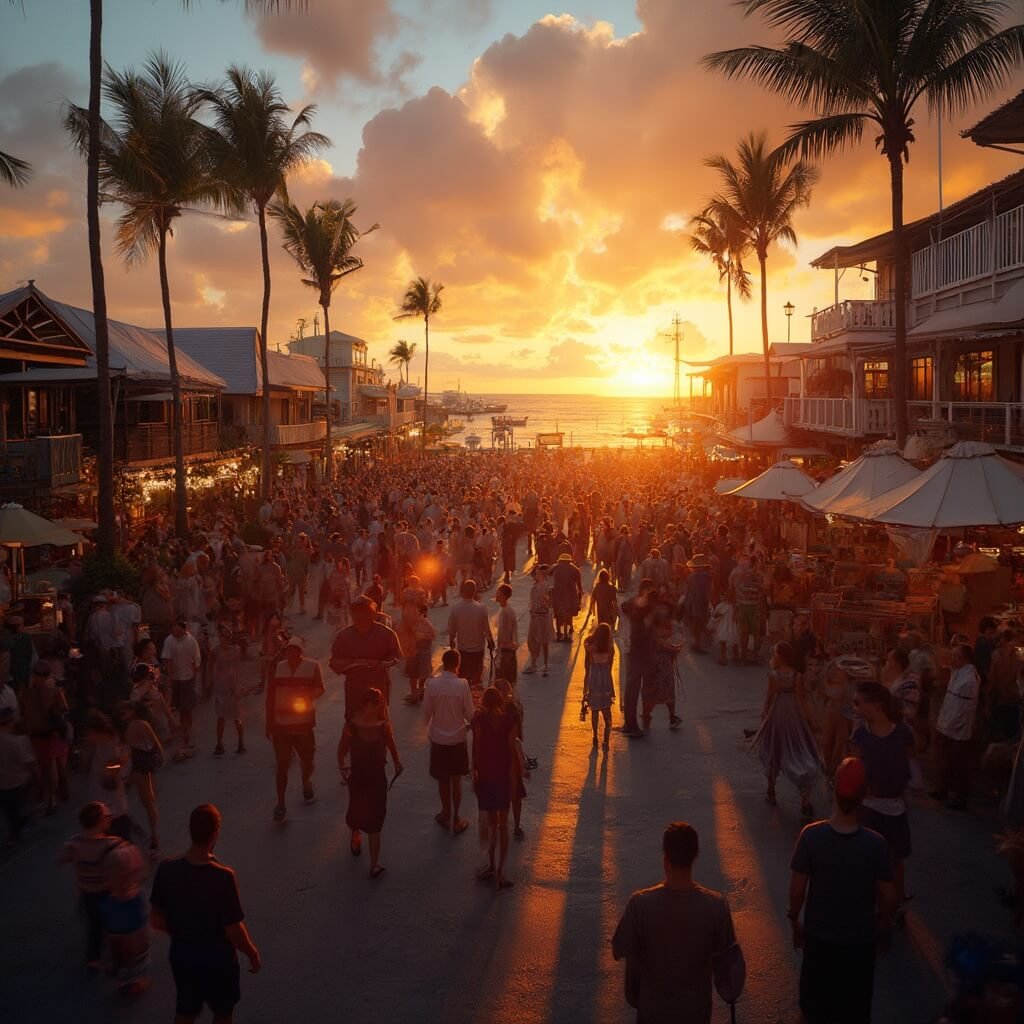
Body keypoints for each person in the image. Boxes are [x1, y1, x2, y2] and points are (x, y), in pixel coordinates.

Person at [788, 758, 896, 1024]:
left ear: (834, 790)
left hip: (819, 940)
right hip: (859, 943)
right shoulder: (876, 845)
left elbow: (797, 890)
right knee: (855, 1012)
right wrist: (883, 927)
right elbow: (889, 897)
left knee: (811, 1010)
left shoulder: (810, 836)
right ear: (864, 796)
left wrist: (794, 921)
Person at [612, 822, 739, 1024]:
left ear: (665, 859)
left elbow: (620, 948)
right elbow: (730, 965)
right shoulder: (716, 906)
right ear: (695, 856)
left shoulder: (640, 904)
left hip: (652, 1010)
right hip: (696, 1012)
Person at [150, 804, 261, 1024]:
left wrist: (183, 933)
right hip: (218, 961)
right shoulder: (223, 877)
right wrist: (252, 953)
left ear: (190, 831)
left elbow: (156, 919)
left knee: (186, 1010)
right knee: (222, 1012)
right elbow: (234, 930)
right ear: (215, 833)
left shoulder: (167, 870)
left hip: (182, 956)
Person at [850, 682, 914, 910]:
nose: (855, 707)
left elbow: (908, 763)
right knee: (868, 860)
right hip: (868, 806)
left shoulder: (903, 733)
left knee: (896, 860)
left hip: (895, 806)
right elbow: (853, 771)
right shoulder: (860, 735)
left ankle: (896, 904)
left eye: (858, 703)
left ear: (876, 705)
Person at [749, 641, 821, 818]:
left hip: (778, 713)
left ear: (779, 656)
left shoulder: (773, 675)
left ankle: (771, 790)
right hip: (794, 714)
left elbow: (769, 697)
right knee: (797, 749)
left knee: (774, 748)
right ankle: (805, 798)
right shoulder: (797, 676)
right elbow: (802, 699)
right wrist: (809, 721)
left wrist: (764, 716)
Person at [337, 688, 402, 878]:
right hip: (357, 777)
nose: (377, 708)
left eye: (379, 704)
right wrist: (343, 769)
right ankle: (355, 834)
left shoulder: (384, 726)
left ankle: (374, 864)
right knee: (356, 811)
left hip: (377, 778)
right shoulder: (351, 726)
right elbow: (341, 751)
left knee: (376, 819)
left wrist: (397, 763)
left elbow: (391, 745)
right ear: (364, 705)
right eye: (374, 704)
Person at [265, 636, 325, 823]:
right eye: (288, 650)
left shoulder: (312, 667)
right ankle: (281, 803)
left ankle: (306, 782)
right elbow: (270, 696)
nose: (291, 653)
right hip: (281, 725)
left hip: (303, 724)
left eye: (295, 650)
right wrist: (269, 723)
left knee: (307, 759)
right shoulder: (278, 668)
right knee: (282, 765)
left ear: (300, 652)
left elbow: (320, 689)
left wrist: (307, 696)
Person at [59, 801, 123, 970]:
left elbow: (62, 858)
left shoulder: (74, 843)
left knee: (94, 925)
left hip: (86, 892)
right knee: (114, 924)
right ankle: (118, 957)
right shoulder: (112, 844)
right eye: (108, 816)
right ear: (101, 821)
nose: (111, 818)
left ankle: (93, 959)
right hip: (108, 891)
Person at [423, 649, 475, 836]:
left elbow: (426, 711)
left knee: (443, 780)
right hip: (457, 738)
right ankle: (456, 818)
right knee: (456, 779)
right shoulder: (462, 685)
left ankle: (445, 812)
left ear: (444, 663)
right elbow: (469, 713)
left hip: (438, 738)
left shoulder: (432, 684)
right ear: (457, 664)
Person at [472, 686, 517, 890]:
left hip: (486, 775)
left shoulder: (480, 721)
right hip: (502, 776)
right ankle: (500, 870)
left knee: (491, 823)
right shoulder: (509, 721)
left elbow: (476, 747)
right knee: (503, 825)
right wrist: (513, 778)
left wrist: (474, 772)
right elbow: (512, 750)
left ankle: (491, 864)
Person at [931, 642, 981, 811]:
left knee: (958, 764)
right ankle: (943, 789)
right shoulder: (957, 673)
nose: (952, 659)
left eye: (956, 656)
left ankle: (960, 797)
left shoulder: (969, 680)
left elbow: (963, 710)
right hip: (947, 725)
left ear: (964, 659)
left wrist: (950, 726)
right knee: (946, 761)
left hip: (957, 730)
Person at [19, 660, 69, 814]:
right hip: (47, 734)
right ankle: (52, 797)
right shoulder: (53, 692)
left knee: (45, 766)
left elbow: (22, 714)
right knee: (51, 765)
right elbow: (64, 710)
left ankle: (49, 797)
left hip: (39, 735)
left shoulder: (25, 694)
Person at [121, 699, 163, 853]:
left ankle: (153, 837)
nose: (122, 714)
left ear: (132, 712)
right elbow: (157, 747)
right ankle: (152, 836)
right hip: (139, 767)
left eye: (125, 711)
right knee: (147, 802)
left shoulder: (135, 725)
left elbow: (154, 747)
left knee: (147, 802)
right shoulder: (141, 724)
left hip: (138, 767)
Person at [620, 581, 655, 739]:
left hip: (640, 652)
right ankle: (631, 724)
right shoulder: (636, 607)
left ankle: (633, 722)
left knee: (635, 689)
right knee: (634, 689)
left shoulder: (641, 607)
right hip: (636, 652)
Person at [162, 619, 201, 756]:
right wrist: (169, 676)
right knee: (177, 706)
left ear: (183, 629)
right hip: (175, 679)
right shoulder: (169, 640)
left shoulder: (191, 641)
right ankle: (179, 731)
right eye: (172, 627)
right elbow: (167, 659)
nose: (173, 630)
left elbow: (197, 660)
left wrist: (194, 676)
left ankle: (188, 732)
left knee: (187, 707)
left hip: (187, 678)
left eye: (176, 627)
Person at [495, 677, 527, 840]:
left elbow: (514, 740)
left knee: (506, 793)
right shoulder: (514, 710)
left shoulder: (498, 712)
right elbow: (517, 740)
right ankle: (515, 825)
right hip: (510, 757)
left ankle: (507, 825)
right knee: (514, 794)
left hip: (503, 757)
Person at [446, 579, 494, 689]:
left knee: (462, 677)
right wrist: (491, 641)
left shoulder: (455, 609)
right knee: (476, 678)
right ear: (475, 592)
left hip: (462, 649)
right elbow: (486, 629)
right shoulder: (482, 608)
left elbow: (452, 630)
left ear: (462, 591)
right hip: (478, 649)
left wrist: (451, 641)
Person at [0, 705, 36, 844]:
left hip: (2, 783)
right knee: (16, 806)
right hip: (18, 781)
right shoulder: (18, 740)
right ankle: (16, 828)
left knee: (8, 808)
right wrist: (35, 776)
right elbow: (30, 763)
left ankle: (14, 826)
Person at [643, 607, 683, 731]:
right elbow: (664, 645)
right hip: (658, 667)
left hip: (661, 667)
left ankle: (651, 716)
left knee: (660, 693)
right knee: (658, 693)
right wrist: (675, 648)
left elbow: (668, 644)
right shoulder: (654, 633)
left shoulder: (659, 631)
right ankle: (650, 716)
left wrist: (674, 647)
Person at [211, 624, 245, 756]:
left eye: (225, 637)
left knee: (237, 717)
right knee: (221, 717)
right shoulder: (216, 651)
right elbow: (211, 665)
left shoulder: (236, 650)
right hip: (220, 687)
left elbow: (236, 670)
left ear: (229, 638)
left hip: (233, 687)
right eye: (221, 637)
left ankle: (241, 743)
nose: (222, 639)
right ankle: (219, 744)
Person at [583, 623, 615, 750]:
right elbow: (610, 667)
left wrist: (584, 690)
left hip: (594, 679)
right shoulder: (610, 649)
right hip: (605, 679)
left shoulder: (591, 648)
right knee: (607, 711)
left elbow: (587, 667)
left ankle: (595, 735)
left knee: (594, 710)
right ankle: (606, 740)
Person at [524, 564, 554, 677]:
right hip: (534, 616)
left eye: (536, 573)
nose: (534, 576)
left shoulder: (547, 586)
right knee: (532, 641)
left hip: (543, 617)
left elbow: (549, 601)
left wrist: (545, 602)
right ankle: (533, 663)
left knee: (544, 642)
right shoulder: (535, 586)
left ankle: (545, 665)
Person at [550, 552, 583, 642]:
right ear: (570, 561)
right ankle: (568, 634)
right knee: (569, 615)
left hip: (557, 596)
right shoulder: (575, 569)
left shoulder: (554, 568)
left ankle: (559, 634)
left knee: (557, 615)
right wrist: (580, 596)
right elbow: (579, 586)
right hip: (570, 596)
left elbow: (548, 582)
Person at [710, 592, 738, 666]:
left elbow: (715, 615)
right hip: (732, 627)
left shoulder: (722, 605)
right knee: (734, 642)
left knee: (723, 643)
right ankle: (735, 656)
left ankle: (723, 658)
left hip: (723, 627)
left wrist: (715, 616)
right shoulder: (733, 606)